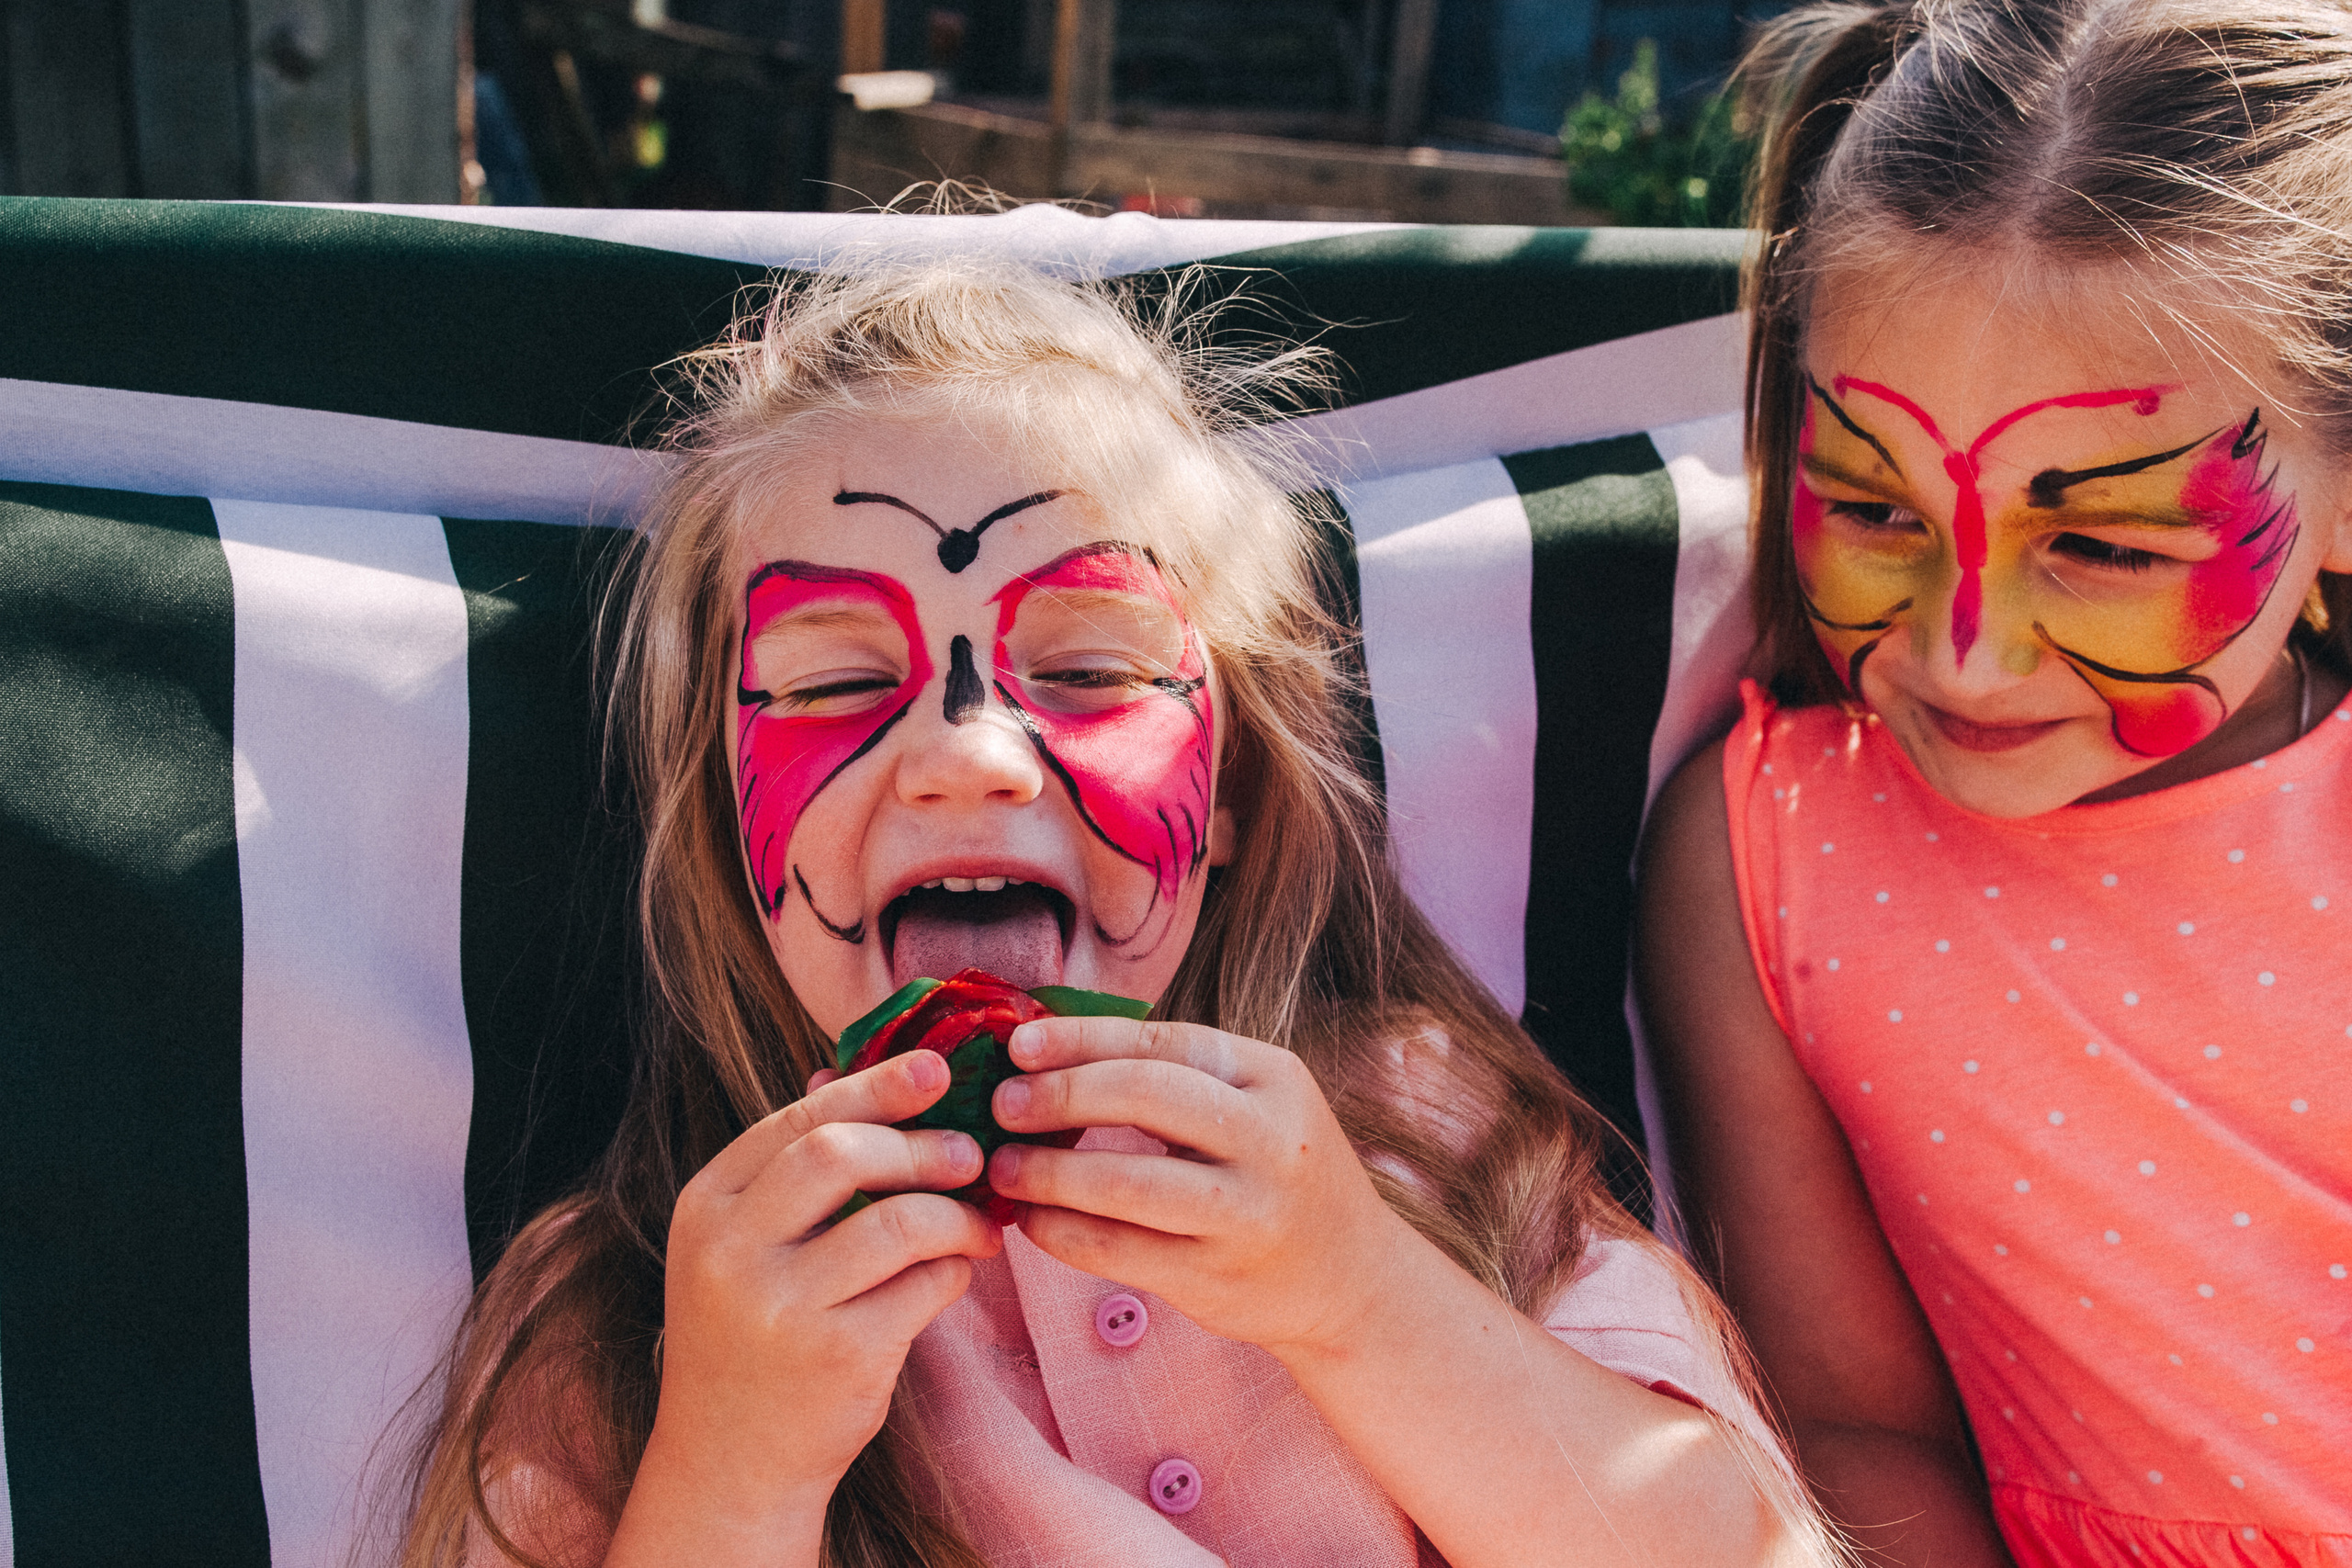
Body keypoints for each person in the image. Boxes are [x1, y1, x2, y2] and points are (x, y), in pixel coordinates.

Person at [395, 257, 1835, 1568]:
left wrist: (1363, 1300)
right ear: (723, 818)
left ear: (1224, 808)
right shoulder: (635, 1311)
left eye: (1088, 671)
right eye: (834, 683)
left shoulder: (1411, 1145)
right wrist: (733, 1466)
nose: (967, 753)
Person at [1635, 3, 2352, 1564]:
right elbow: (1855, 1427)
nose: (1966, 656)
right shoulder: (1764, 854)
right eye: (1872, 509)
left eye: (2102, 545)